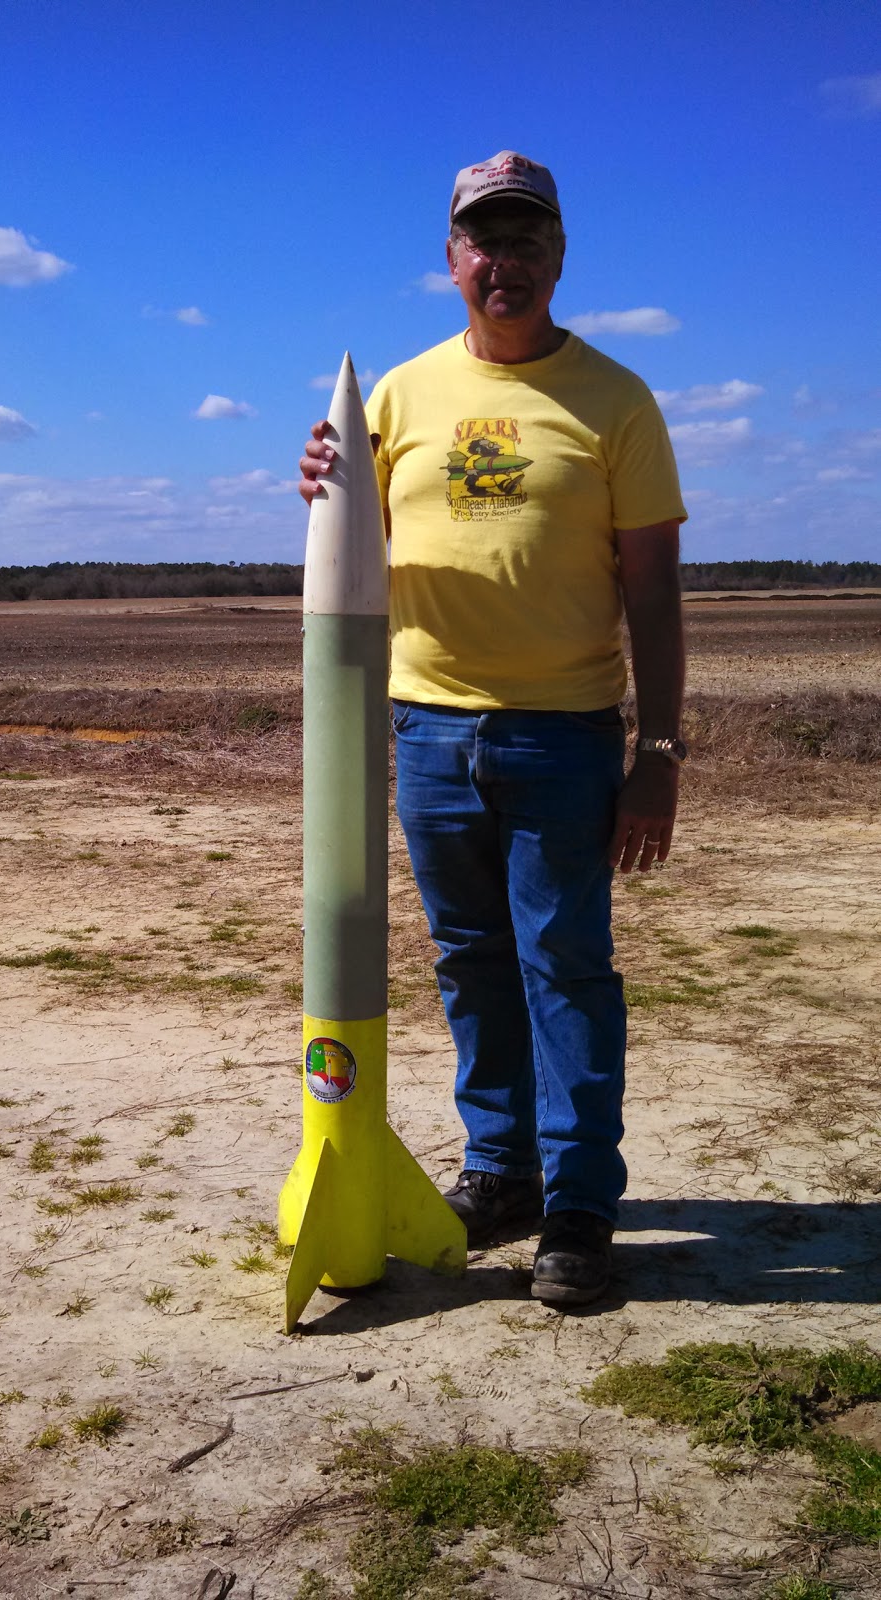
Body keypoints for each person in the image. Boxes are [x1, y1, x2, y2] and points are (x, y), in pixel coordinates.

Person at [299, 151, 687, 1307]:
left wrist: (658, 755)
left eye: (526, 240)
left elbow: (655, 592)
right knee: (470, 964)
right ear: (451, 257)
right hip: (428, 734)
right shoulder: (397, 395)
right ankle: (502, 1170)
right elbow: (352, 535)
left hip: (563, 736)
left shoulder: (618, 400)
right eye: (484, 240)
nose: (503, 261)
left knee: (564, 967)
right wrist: (319, 479)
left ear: (559, 256)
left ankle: (579, 1205)